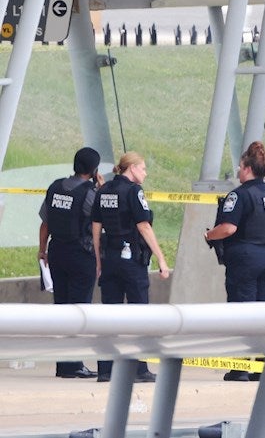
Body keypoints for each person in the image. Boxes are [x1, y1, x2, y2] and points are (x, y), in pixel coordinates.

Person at [204, 141, 265, 381]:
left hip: (247, 256)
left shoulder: (239, 195)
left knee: (241, 312)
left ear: (248, 168)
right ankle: (260, 367)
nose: (238, 170)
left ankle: (239, 368)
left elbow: (228, 228)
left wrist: (208, 235)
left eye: (240, 166)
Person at [92, 151, 170, 383]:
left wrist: (98, 262)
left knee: (110, 317)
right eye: (143, 168)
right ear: (132, 168)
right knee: (139, 314)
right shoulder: (134, 191)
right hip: (132, 260)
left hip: (110, 259)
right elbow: (144, 227)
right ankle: (138, 370)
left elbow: (96, 229)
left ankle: (106, 370)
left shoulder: (103, 190)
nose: (145, 173)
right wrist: (162, 259)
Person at [38, 146, 103, 379]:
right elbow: (99, 221)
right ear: (94, 169)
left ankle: (63, 365)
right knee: (79, 309)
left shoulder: (55, 187)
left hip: (56, 251)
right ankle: (74, 364)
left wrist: (42, 250)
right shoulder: (89, 193)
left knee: (61, 308)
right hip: (81, 254)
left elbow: (45, 223)